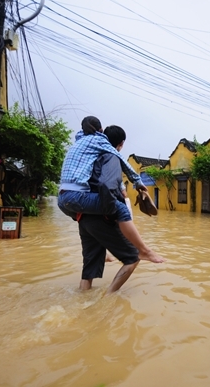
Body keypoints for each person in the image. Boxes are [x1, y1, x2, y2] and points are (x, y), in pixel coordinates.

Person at [58, 116, 163, 263]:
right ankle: (144, 251)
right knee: (119, 210)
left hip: (63, 199)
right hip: (78, 196)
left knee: (91, 221)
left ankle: (101, 253)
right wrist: (137, 182)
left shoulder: (80, 142)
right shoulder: (102, 145)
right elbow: (118, 167)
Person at [77, 125, 165, 293]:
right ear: (121, 144)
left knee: (89, 269)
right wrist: (110, 212)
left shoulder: (90, 157)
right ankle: (108, 299)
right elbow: (108, 186)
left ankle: (83, 299)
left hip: (83, 217)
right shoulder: (112, 157)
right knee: (133, 257)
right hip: (102, 214)